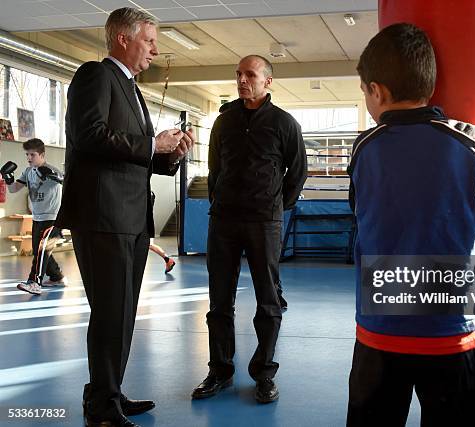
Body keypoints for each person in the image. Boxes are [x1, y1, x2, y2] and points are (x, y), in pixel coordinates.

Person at [346, 23, 475, 427]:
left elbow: (358, 209)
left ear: (378, 91)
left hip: (379, 326)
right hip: (450, 326)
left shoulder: (363, 147)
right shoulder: (473, 141)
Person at [54, 8, 194, 427]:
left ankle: (106, 393)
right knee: (111, 312)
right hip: (103, 216)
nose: (154, 49)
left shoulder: (131, 88)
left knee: (123, 312)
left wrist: (168, 156)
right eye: (149, 40)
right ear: (122, 39)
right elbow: (90, 135)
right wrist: (153, 143)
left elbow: (132, 155)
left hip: (130, 218)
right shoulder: (95, 75)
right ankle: (102, 407)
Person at [191, 54, 307, 404]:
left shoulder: (285, 123)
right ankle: (220, 371)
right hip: (224, 220)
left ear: (267, 81)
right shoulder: (223, 122)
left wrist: (273, 207)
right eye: (239, 74)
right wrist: (221, 201)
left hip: (264, 222)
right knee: (218, 302)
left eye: (251, 75)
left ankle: (264, 373)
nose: (243, 80)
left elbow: (297, 174)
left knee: (268, 301)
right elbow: (214, 170)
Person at [1, 138, 65, 295]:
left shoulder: (51, 169)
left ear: (42, 155)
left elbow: (63, 180)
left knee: (42, 250)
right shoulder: (28, 172)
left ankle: (34, 282)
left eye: (33, 155)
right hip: (37, 218)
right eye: (27, 155)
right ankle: (57, 277)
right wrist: (8, 178)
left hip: (53, 218)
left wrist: (52, 175)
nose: (29, 158)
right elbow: (14, 189)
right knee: (39, 251)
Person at [148, 192, 175, 274]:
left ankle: (168, 260)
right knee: (150, 245)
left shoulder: (147, 194)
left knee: (150, 245)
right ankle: (168, 260)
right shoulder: (150, 194)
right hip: (148, 223)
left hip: (145, 224)